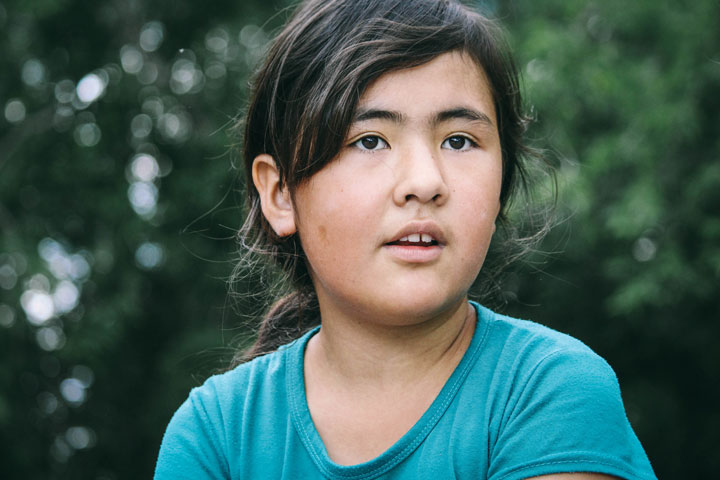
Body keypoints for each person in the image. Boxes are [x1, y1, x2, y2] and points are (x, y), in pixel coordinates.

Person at [154, 0, 657, 478]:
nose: (425, 181)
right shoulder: (215, 435)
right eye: (370, 141)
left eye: (458, 141)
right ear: (281, 193)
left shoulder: (550, 391)